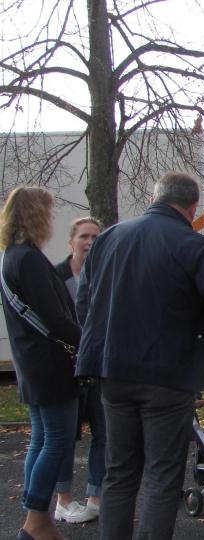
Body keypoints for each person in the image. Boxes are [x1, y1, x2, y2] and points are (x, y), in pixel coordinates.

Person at [75, 172, 204, 540]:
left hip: (113, 371)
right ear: (192, 208)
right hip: (168, 374)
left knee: (119, 472)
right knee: (162, 475)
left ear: (155, 198)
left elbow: (85, 302)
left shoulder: (108, 239)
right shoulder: (193, 245)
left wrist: (103, 343)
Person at [0, 186, 81, 540]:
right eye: (47, 212)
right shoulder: (29, 259)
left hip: (31, 363)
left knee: (42, 439)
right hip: (50, 364)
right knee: (57, 440)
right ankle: (35, 521)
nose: (50, 219)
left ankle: (37, 518)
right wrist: (89, 342)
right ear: (35, 215)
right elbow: (55, 318)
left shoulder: (12, 256)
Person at [52, 217, 104, 524]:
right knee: (65, 437)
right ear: (71, 240)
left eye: (96, 237)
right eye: (84, 236)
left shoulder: (105, 274)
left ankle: (95, 498)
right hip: (66, 368)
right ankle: (64, 499)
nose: (90, 242)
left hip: (98, 367)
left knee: (104, 433)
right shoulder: (56, 277)